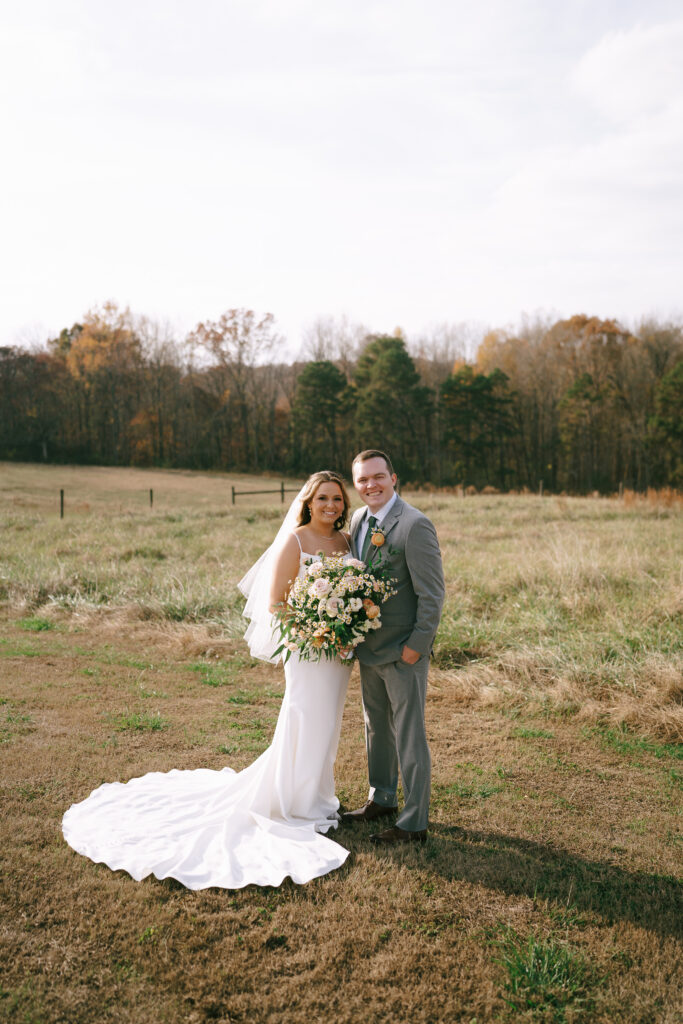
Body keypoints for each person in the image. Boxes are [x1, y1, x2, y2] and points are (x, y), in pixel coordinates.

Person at [62, 471, 354, 890]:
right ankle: (292, 802)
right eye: (323, 498)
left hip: (339, 653)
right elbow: (276, 604)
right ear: (308, 502)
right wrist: (319, 631)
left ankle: (318, 797)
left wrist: (345, 630)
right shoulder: (295, 540)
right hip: (307, 651)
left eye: (338, 499)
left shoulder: (345, 543)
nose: (332, 505)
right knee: (304, 717)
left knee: (328, 724)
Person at [342, 450, 445, 844]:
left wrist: (416, 648)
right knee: (375, 729)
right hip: (370, 649)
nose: (371, 485)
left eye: (378, 477)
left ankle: (414, 822)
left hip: (403, 653)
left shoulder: (415, 525)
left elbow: (432, 595)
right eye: (363, 480)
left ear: (393, 478)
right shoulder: (358, 520)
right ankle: (381, 798)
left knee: (408, 734)